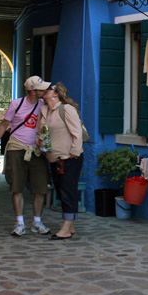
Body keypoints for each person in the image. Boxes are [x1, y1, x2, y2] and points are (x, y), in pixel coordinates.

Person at [0, 75, 51, 236]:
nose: (45, 90)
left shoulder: (44, 105)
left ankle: (37, 221)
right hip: (17, 147)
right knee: (17, 186)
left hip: (36, 150)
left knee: (41, 187)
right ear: (33, 91)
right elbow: (4, 125)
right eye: (41, 88)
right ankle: (20, 222)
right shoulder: (17, 104)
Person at [39, 82, 84, 240]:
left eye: (48, 89)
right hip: (53, 157)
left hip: (68, 157)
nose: (45, 90)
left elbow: (76, 132)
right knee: (61, 190)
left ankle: (66, 227)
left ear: (55, 93)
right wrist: (42, 144)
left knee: (67, 191)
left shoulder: (66, 109)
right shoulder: (44, 110)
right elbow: (43, 133)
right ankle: (70, 225)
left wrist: (74, 152)